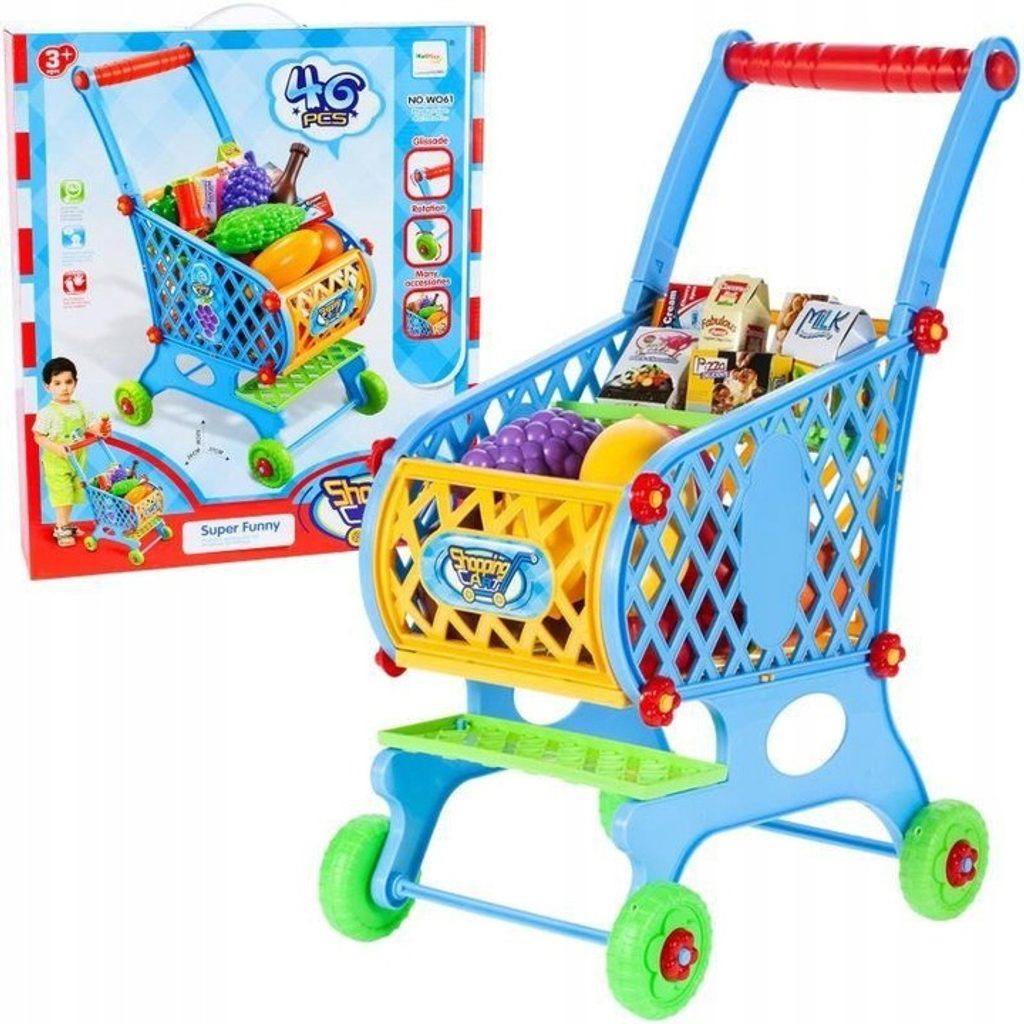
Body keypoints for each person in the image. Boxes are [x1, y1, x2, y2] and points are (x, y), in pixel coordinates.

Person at [33, 357, 110, 547]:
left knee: (75, 491)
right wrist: (56, 448)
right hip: (56, 462)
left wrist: (102, 428)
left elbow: (91, 426)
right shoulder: (47, 413)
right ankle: (61, 527)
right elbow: (38, 436)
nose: (64, 388)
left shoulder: (81, 407)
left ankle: (66, 523)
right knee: (63, 494)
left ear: (75, 382)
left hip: (77, 459)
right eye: (57, 383)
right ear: (47, 387)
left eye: (68, 382)